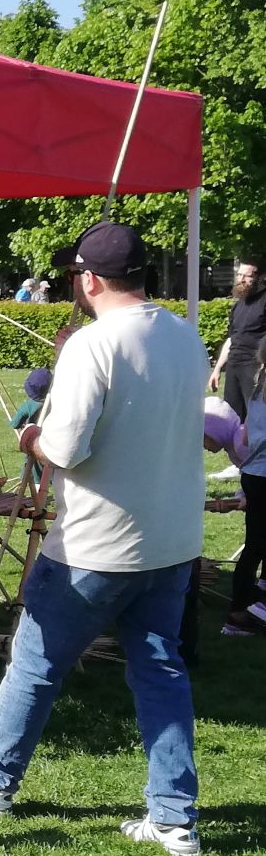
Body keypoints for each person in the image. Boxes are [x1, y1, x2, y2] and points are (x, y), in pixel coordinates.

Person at [0, 221, 207, 855]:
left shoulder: (92, 344)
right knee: (161, 672)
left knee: (36, 663)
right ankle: (174, 816)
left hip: (96, 545)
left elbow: (66, 448)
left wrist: (31, 438)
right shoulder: (185, 334)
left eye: (76, 275)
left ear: (90, 279)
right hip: (172, 540)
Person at [207, 257, 264, 478]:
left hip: (255, 366)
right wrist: (217, 369)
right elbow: (231, 339)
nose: (241, 279)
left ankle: (256, 462)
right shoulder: (239, 304)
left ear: (260, 277)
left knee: (255, 417)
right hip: (235, 365)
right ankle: (238, 461)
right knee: (233, 414)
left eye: (246, 275)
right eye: (239, 274)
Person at [225, 342, 266, 637]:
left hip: (253, 473)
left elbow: (248, 436)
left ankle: (240, 612)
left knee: (255, 545)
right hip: (263, 473)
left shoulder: (258, 387)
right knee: (258, 545)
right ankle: (251, 610)